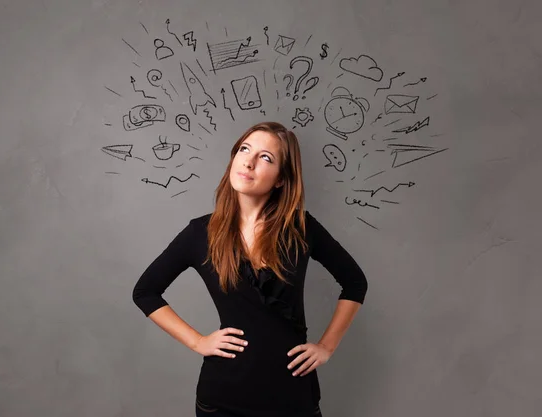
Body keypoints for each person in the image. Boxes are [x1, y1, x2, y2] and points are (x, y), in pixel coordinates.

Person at [132, 121, 368, 417]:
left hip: (293, 398)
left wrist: (326, 346)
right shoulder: (200, 233)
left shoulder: (301, 229)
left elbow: (355, 283)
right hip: (222, 400)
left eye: (266, 157)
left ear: (281, 179)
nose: (249, 161)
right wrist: (197, 341)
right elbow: (145, 292)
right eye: (244, 149)